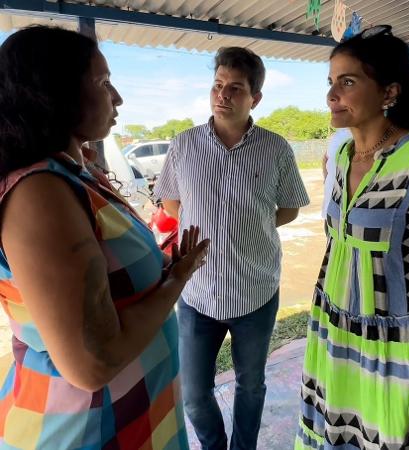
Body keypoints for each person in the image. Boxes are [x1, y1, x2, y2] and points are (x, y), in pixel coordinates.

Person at [0, 26, 209, 449]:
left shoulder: (75, 172)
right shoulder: (40, 193)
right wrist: (176, 281)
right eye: (102, 82)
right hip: (85, 430)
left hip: (134, 415)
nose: (117, 98)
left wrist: (161, 266)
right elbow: (92, 363)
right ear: (53, 91)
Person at [295, 25, 409, 450]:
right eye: (331, 82)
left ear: (389, 92)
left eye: (347, 82)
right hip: (335, 337)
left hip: (401, 356)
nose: (332, 96)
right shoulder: (343, 156)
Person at [154, 46, 310, 450]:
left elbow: (290, 207)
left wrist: (248, 226)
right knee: (193, 393)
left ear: (254, 98)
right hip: (196, 292)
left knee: (251, 385)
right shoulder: (184, 144)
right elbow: (171, 202)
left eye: (235, 88)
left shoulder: (276, 148)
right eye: (218, 85)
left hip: (256, 292)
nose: (222, 95)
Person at [321, 128, 351, 218]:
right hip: (344, 210)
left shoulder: (338, 135)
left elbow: (325, 159)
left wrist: (327, 179)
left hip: (332, 207)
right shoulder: (341, 135)